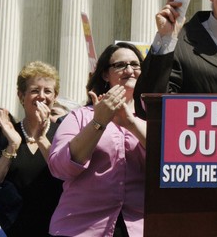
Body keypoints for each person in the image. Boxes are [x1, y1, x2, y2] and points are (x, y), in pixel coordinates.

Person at [49, 42, 147, 236]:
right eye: (120, 65)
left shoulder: (154, 116)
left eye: (135, 65)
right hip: (82, 227)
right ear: (105, 74)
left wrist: (131, 124)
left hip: (138, 227)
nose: (129, 70)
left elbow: (170, 161)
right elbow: (60, 167)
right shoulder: (80, 116)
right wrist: (98, 122)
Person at [0, 61, 62, 236]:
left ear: (55, 96)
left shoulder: (63, 134)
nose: (41, 96)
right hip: (6, 229)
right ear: (21, 96)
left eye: (48, 91)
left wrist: (41, 138)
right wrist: (12, 147)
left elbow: (66, 177)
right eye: (35, 90)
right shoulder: (1, 135)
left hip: (52, 228)